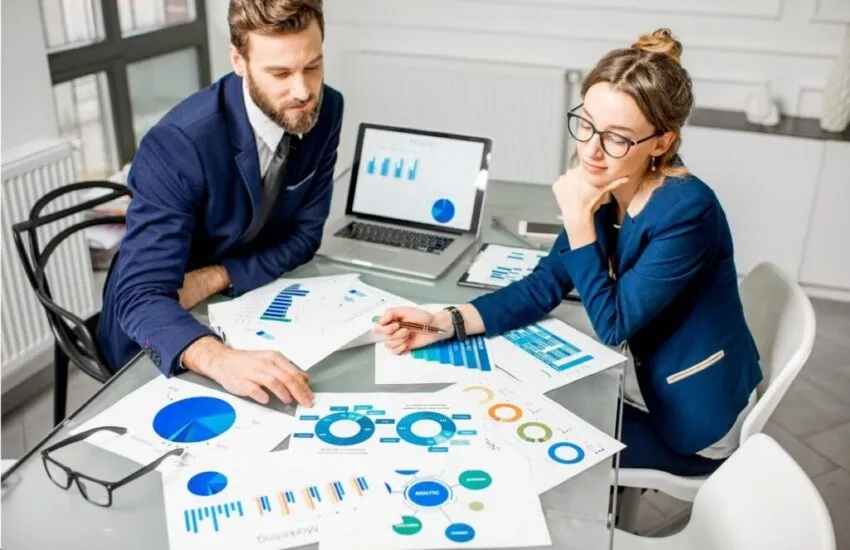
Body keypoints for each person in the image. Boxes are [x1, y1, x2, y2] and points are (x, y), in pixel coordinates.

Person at [375, 28, 762, 476]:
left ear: (662, 142)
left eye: (617, 137)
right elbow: (544, 285)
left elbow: (613, 323)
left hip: (693, 419)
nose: (591, 151)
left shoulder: (687, 211)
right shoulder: (606, 184)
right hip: (639, 380)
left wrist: (579, 223)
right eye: (587, 125)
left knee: (520, 453)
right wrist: (447, 322)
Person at [97, 0, 344, 408]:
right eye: (280, 73)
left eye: (313, 66)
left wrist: (216, 278)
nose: (303, 91)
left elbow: (305, 236)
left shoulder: (326, 108)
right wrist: (219, 358)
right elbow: (140, 296)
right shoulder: (179, 142)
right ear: (239, 61)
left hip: (245, 299)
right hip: (163, 327)